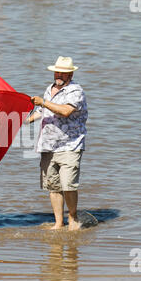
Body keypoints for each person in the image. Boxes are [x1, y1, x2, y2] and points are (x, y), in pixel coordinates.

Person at [27, 56, 88, 231]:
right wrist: (24, 120)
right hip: (47, 145)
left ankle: (73, 219)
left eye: (63, 72)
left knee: (68, 185)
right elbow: (41, 111)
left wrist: (44, 102)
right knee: (53, 186)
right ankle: (58, 222)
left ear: (71, 73)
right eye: (57, 71)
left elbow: (66, 111)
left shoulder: (76, 91)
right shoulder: (49, 89)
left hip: (70, 145)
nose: (59, 74)